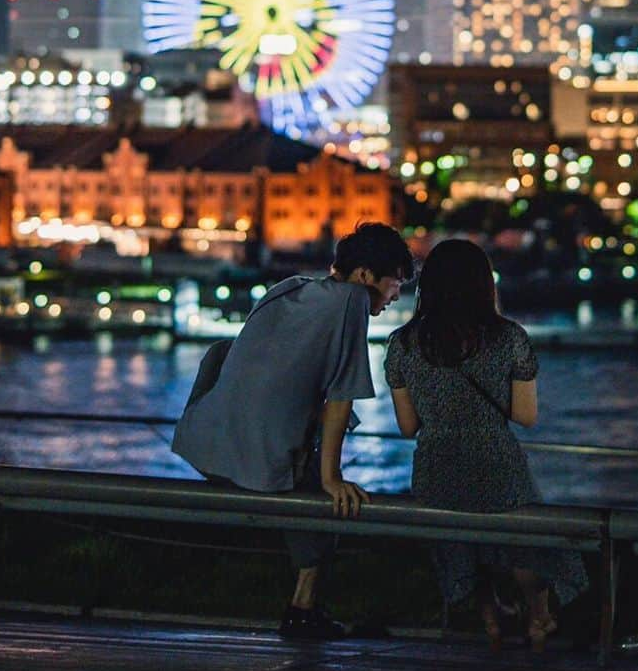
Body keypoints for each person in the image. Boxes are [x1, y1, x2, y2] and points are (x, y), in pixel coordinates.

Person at [172, 221, 414, 638]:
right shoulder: (352, 301)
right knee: (326, 502)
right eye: (395, 283)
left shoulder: (288, 287)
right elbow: (342, 395)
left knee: (311, 482)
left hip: (205, 438)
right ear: (365, 276)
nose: (396, 296)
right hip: (257, 457)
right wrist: (332, 478)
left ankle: (304, 607)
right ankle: (303, 608)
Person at [384, 237, 587, 649]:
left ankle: (489, 622)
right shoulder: (509, 337)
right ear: (484, 284)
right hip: (497, 462)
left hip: (437, 468)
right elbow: (526, 417)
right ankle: (538, 618)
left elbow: (408, 427)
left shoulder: (403, 343)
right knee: (525, 543)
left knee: (461, 547)